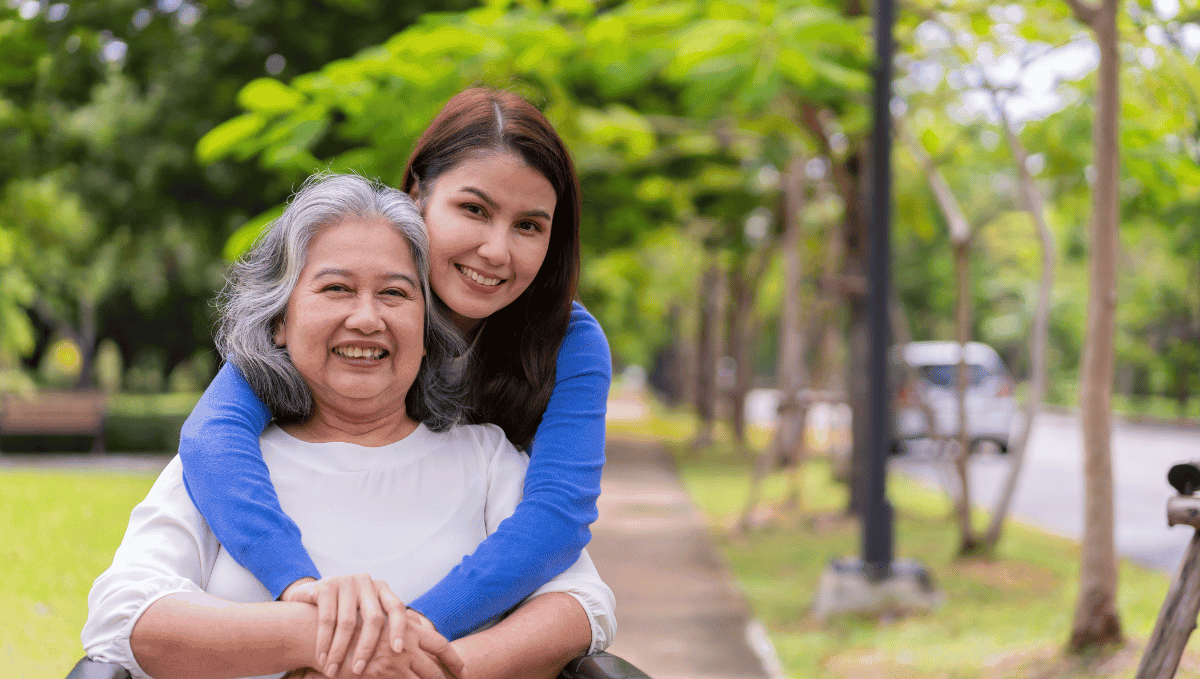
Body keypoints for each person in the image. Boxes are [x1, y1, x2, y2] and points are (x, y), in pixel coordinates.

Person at [82, 174, 615, 679]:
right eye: (336, 288)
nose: (366, 318)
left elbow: (580, 605)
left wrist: (418, 671)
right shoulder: (227, 466)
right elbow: (121, 615)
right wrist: (314, 634)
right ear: (279, 322)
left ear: (428, 331)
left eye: (395, 294)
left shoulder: (485, 458)